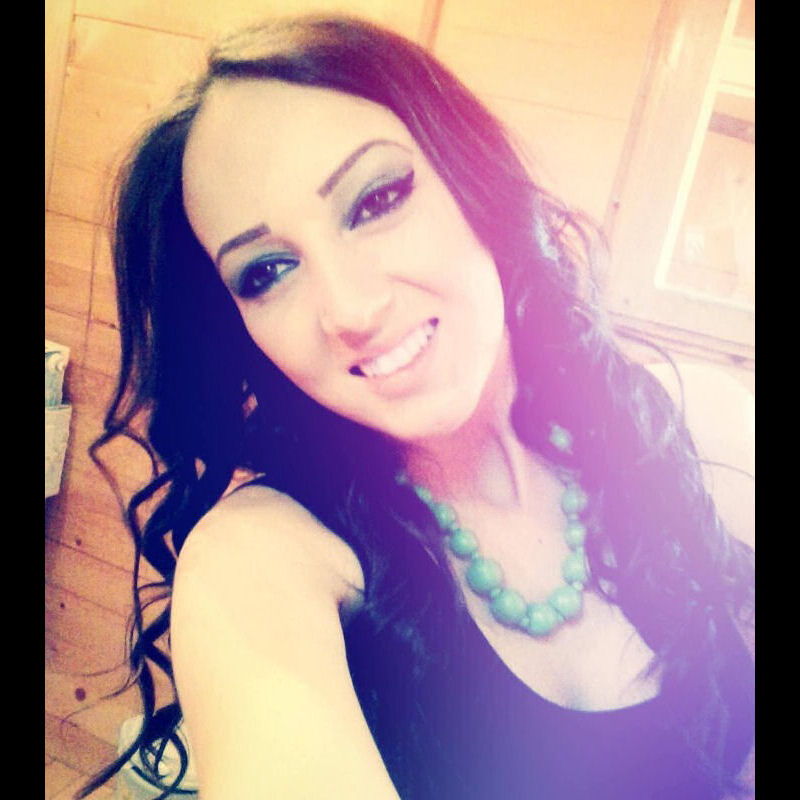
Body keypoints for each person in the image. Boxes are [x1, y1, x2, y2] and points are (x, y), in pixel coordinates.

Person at [81, 13, 754, 800]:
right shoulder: (259, 560)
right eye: (266, 272)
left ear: (473, 179)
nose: (349, 308)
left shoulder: (671, 425)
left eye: (376, 200)